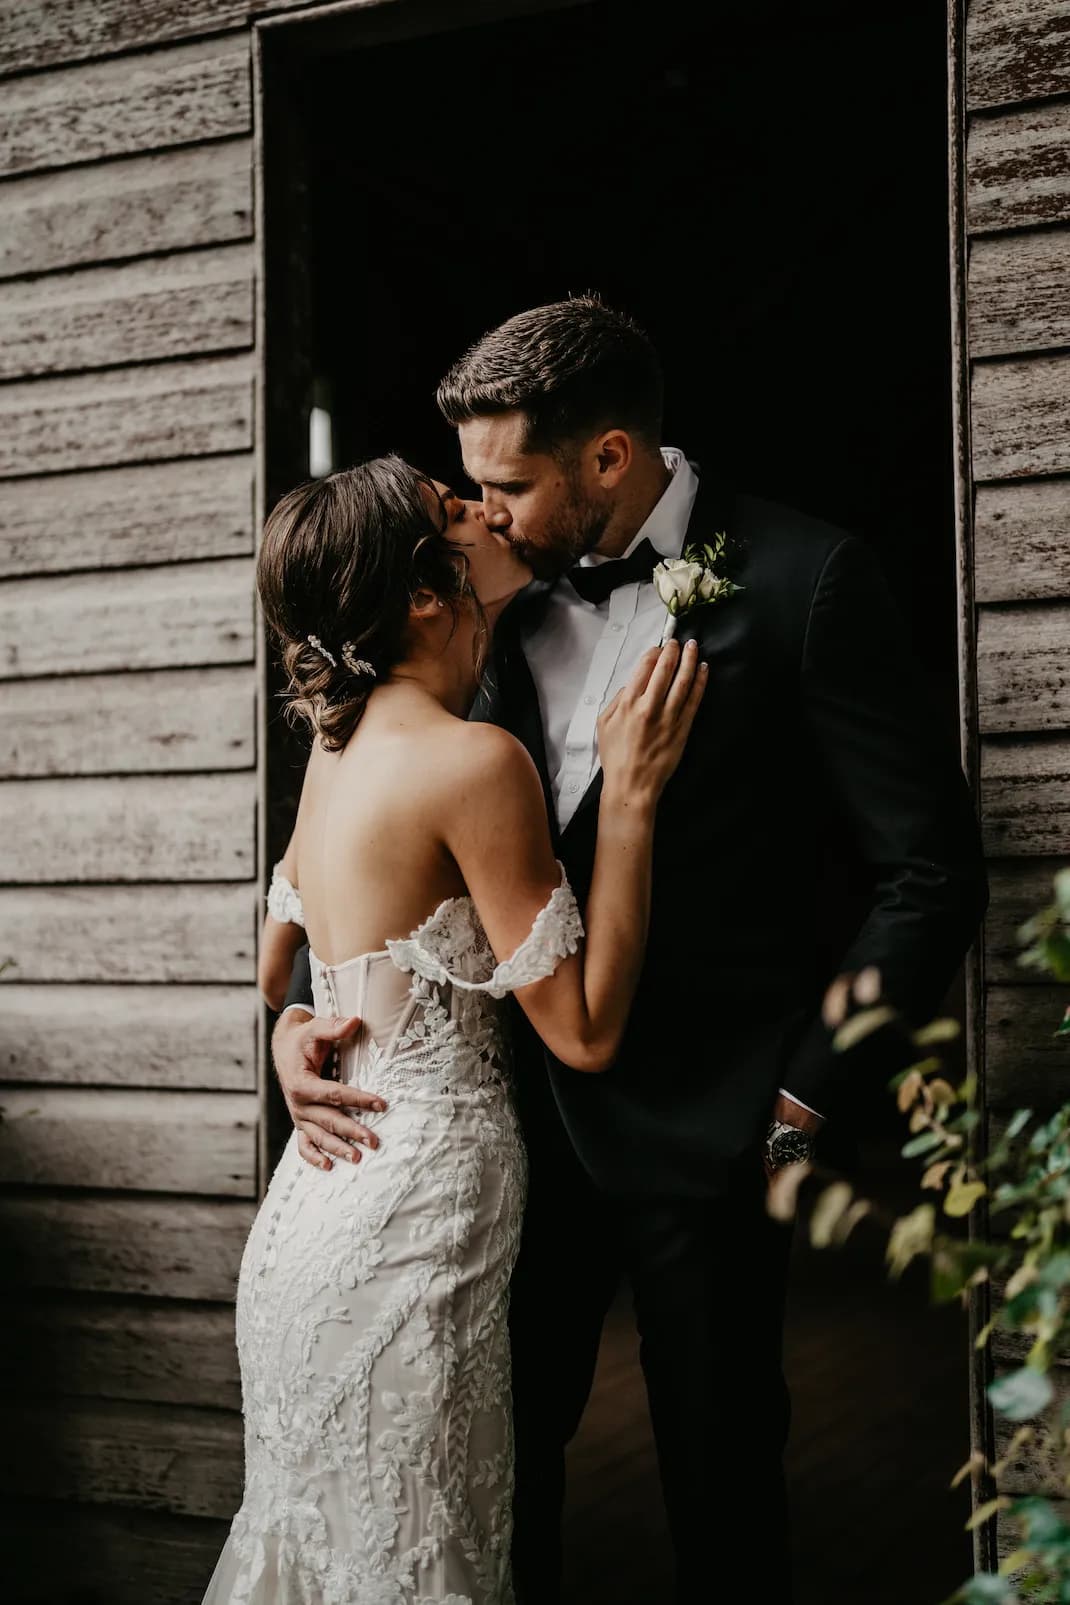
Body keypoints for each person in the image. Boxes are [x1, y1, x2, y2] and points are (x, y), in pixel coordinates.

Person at [272, 297, 990, 1603]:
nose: (485, 515)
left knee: (722, 1480)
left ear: (608, 456)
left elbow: (927, 870)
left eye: (507, 486)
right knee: (490, 1472)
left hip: (711, 1133)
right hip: (496, 1132)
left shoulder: (804, 579)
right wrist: (299, 1015)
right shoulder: (471, 599)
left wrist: (805, 1099)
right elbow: (363, 826)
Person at [202, 453, 706, 1605]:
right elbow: (583, 1032)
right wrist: (629, 801)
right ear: (427, 595)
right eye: (455, 510)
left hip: (308, 1220)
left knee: (327, 1544)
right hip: (414, 1215)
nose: (484, 510)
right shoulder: (475, 762)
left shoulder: (332, 750)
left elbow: (277, 966)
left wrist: (297, 1031)